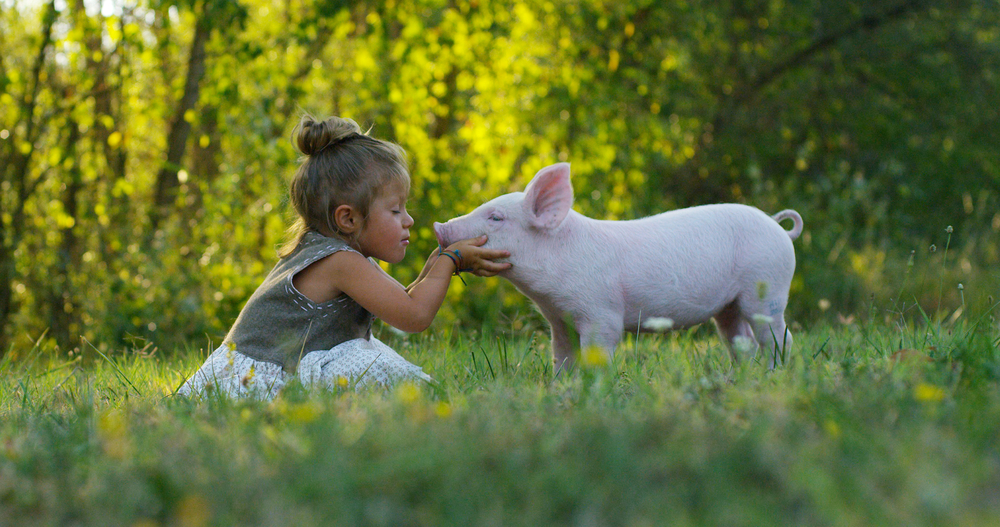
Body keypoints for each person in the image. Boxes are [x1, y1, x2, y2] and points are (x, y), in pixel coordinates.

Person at [176, 114, 510, 399]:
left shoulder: (335, 253)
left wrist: (442, 261)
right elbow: (413, 316)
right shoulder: (339, 262)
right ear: (348, 219)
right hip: (254, 383)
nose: (408, 220)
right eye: (395, 210)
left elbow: (403, 299)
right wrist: (449, 261)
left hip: (283, 365)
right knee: (378, 371)